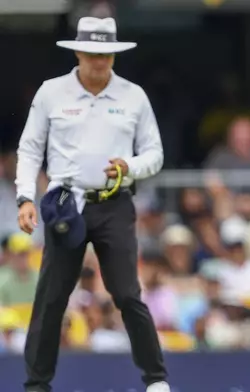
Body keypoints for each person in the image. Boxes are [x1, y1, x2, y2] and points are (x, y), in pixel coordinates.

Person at [14, 17, 169, 392]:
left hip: (114, 201)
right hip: (65, 202)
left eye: (107, 55)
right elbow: (30, 147)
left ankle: (156, 380)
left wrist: (129, 166)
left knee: (126, 293)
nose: (100, 62)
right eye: (93, 54)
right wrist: (24, 197)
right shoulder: (52, 92)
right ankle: (37, 384)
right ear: (79, 53)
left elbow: (154, 153)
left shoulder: (133, 95)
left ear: (114, 56)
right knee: (52, 295)